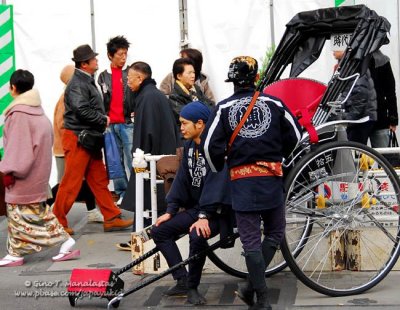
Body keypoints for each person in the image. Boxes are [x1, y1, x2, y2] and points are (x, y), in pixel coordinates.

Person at [204, 56, 302, 309]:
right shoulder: (274, 103)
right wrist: (280, 156)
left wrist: (221, 166)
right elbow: (296, 135)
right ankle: (256, 293)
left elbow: (208, 146)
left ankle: (260, 297)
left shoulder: (224, 108)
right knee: (275, 233)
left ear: (232, 81)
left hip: (242, 183)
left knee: (250, 241)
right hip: (271, 179)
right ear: (256, 77)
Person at [150, 101, 232, 305]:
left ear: (200, 124)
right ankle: (182, 279)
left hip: (218, 212)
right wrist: (171, 210)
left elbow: (218, 185)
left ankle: (193, 287)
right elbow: (182, 180)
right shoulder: (189, 147)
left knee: (197, 235)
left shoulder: (217, 148)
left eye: (185, 123)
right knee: (159, 230)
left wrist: (204, 216)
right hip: (198, 209)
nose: (181, 128)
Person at [0, 69, 80, 267]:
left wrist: (7, 169)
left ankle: (62, 241)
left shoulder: (18, 115)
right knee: (36, 214)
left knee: (20, 216)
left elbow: (17, 150)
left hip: (23, 176)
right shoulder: (37, 113)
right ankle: (16, 252)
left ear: (13, 88)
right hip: (38, 174)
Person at [52, 44, 133, 235]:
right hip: (80, 138)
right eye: (93, 59)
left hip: (87, 138)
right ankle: (57, 221)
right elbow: (81, 110)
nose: (97, 61)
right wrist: (103, 119)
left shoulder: (84, 80)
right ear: (85, 64)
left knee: (98, 179)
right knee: (71, 182)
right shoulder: (79, 83)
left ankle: (111, 217)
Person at [117, 61, 180, 250]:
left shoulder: (148, 97)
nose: (127, 82)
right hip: (160, 151)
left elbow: (146, 131)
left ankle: (145, 239)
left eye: (129, 78)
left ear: (140, 77)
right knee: (147, 198)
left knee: (149, 198)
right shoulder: (152, 94)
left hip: (153, 155)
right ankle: (139, 237)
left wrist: (140, 155)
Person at [48, 64, 103, 223]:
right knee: (68, 183)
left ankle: (92, 210)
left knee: (84, 180)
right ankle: (48, 207)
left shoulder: (72, 94)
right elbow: (62, 124)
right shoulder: (68, 97)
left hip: (72, 146)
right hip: (67, 147)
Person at [98, 36, 135, 204]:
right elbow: (100, 100)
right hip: (110, 124)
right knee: (115, 160)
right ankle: (122, 193)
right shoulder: (103, 77)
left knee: (132, 158)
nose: (123, 57)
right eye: (120, 54)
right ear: (110, 56)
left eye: (125, 54)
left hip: (127, 123)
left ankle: (136, 191)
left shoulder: (131, 73)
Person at [332, 45, 377, 144]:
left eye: (337, 47)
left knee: (355, 153)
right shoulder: (349, 64)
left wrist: (348, 119)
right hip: (359, 117)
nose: (333, 50)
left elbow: (360, 94)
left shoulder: (353, 65)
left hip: (360, 119)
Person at [168, 58, 214, 124]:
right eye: (189, 73)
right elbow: (186, 117)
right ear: (179, 76)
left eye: (193, 72)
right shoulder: (174, 96)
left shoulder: (196, 88)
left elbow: (211, 105)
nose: (193, 76)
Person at [368, 50, 398, 147]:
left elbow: (390, 92)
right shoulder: (382, 60)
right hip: (379, 116)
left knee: (355, 159)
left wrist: (393, 119)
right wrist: (393, 120)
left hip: (360, 119)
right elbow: (390, 92)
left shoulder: (353, 60)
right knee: (382, 157)